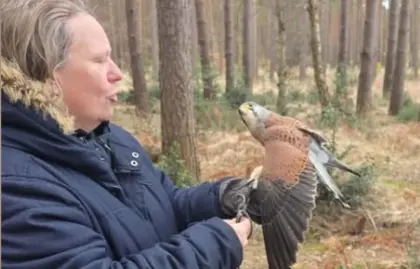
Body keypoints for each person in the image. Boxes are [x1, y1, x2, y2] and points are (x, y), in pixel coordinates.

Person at [1, 0, 256, 268]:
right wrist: (213, 245)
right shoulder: (16, 186)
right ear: (45, 75)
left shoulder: (111, 139)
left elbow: (165, 206)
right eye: (100, 60)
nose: (118, 73)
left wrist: (221, 197)